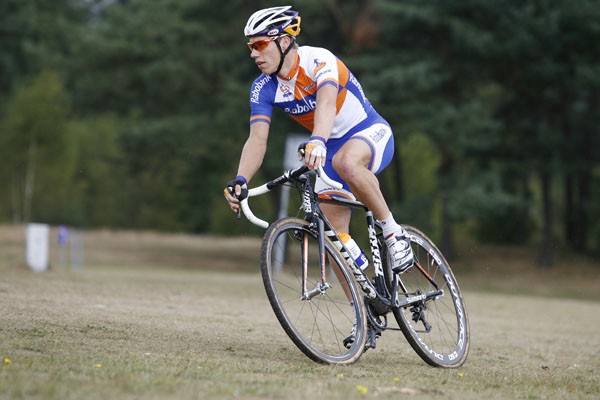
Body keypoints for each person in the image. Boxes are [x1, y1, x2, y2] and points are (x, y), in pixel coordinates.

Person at [224, 5, 414, 345]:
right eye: (249, 47)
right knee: (330, 237)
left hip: (367, 132)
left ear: (284, 41)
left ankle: (392, 233)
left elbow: (326, 106)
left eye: (260, 45)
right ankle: (367, 308)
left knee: (347, 163)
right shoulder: (263, 88)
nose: (253, 53)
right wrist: (240, 180)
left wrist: (317, 141)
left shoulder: (318, 60)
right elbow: (257, 139)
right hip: (325, 146)